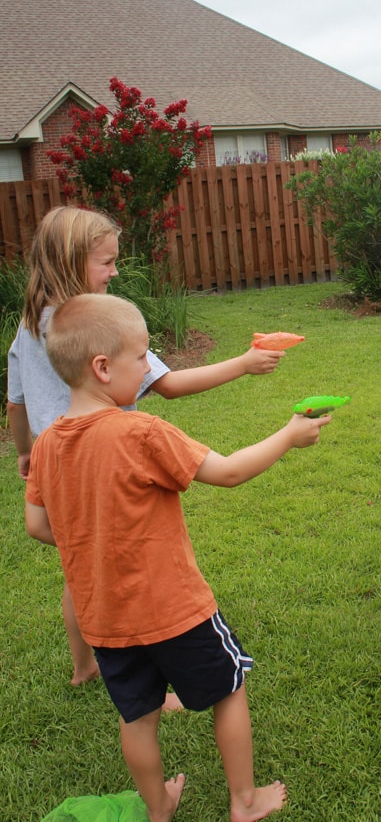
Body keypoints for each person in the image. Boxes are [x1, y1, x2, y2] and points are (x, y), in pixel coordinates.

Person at [25, 293, 331, 822]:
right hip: (174, 608)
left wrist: (91, 540)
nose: (150, 368)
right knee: (229, 689)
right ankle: (245, 800)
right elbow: (229, 471)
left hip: (105, 620)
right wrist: (289, 434)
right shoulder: (140, 431)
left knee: (138, 717)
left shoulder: (48, 443)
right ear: (102, 368)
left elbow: (37, 525)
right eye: (142, 357)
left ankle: (158, 806)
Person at [7, 206, 285, 688]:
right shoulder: (100, 326)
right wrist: (243, 363)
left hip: (57, 468)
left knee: (79, 567)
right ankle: (159, 670)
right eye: (107, 262)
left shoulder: (30, 325)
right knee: (133, 572)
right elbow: (169, 384)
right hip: (113, 465)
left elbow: (15, 401)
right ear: (73, 262)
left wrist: (25, 451)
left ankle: (85, 666)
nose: (116, 271)